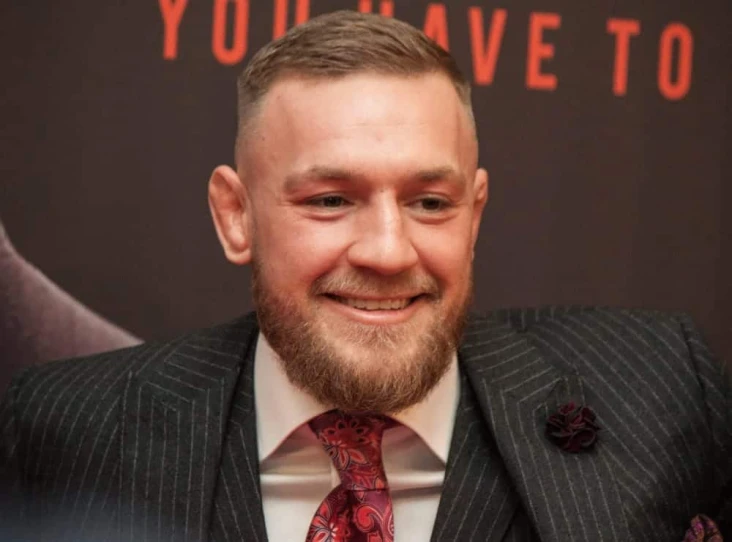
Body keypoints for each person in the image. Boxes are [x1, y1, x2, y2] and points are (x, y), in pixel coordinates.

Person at [1, 10, 730, 542]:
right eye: (330, 200)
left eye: (430, 202)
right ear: (236, 215)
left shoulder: (659, 388)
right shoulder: (61, 429)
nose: (388, 251)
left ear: (475, 215)